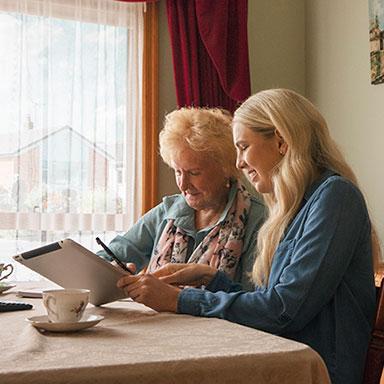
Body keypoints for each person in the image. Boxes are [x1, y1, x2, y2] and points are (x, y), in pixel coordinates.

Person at [117, 89, 381, 384]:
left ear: (281, 141)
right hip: (284, 357)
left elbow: (283, 311)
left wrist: (179, 300)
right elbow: (272, 302)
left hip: (314, 370)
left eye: (243, 147)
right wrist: (210, 277)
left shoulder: (335, 197)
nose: (240, 163)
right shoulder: (298, 206)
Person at [98, 107, 265, 289]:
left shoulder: (257, 220)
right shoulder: (169, 211)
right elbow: (109, 256)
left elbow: (256, 301)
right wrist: (111, 269)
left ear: (226, 168)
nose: (183, 185)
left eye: (194, 173)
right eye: (178, 172)